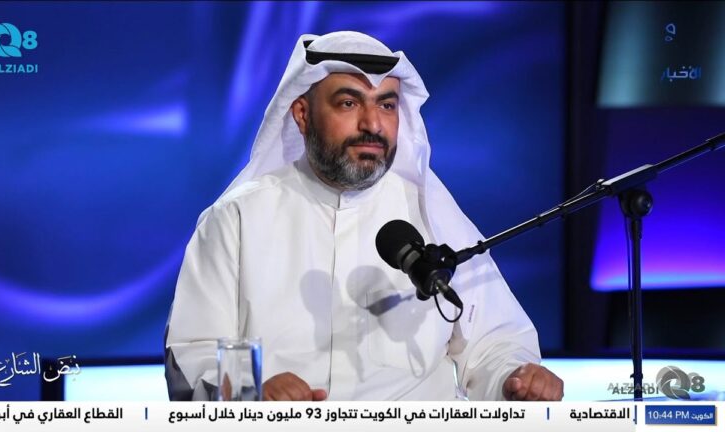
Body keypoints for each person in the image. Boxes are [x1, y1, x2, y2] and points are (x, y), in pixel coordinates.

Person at [164, 31, 563, 401]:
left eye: (386, 105)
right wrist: (249, 393)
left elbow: (494, 342)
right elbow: (190, 357)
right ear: (302, 115)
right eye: (349, 103)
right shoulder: (237, 219)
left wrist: (516, 379)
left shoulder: (432, 214)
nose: (372, 124)